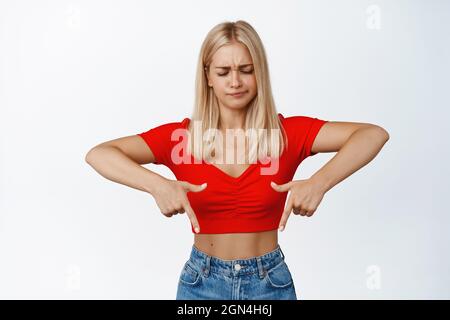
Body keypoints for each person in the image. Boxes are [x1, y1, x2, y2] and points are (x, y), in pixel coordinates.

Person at [85, 20, 390, 300]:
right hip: (201, 284)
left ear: (260, 73)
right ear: (207, 76)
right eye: (223, 72)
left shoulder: (286, 134)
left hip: (269, 283)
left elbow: (372, 134)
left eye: (246, 70)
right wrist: (157, 185)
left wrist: (319, 183)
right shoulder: (181, 139)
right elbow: (99, 154)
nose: (235, 82)